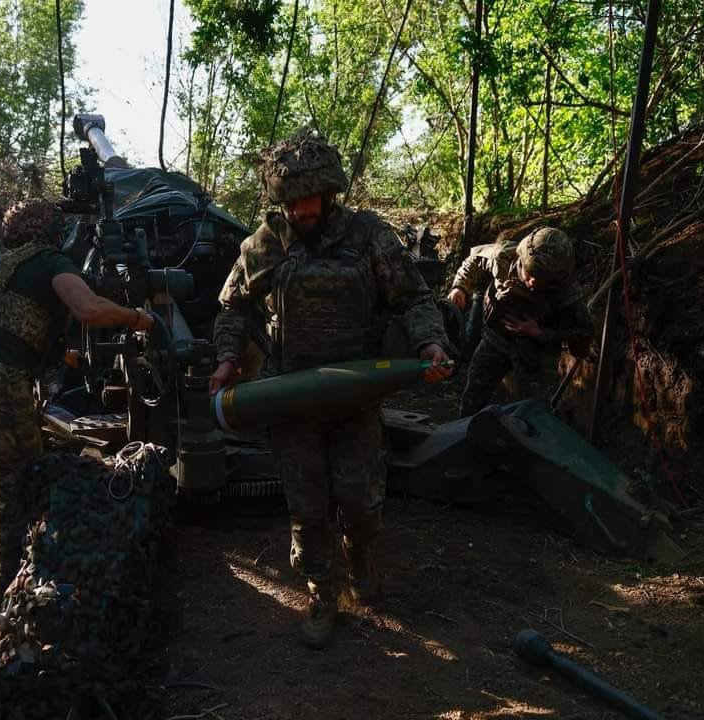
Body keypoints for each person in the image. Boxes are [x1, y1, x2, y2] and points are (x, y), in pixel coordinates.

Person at [210, 128, 454, 649]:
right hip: (292, 398)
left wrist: (431, 343)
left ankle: (361, 553)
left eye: (309, 198)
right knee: (308, 505)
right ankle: (323, 589)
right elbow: (234, 307)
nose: (301, 209)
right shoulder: (264, 244)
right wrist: (228, 358)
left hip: (354, 395)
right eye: (291, 200)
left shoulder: (370, 238)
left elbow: (413, 298)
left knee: (362, 501)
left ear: (330, 192)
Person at [0, 198, 154, 594]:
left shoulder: (2, 265)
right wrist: (138, 319)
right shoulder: (48, 260)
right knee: (19, 477)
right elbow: (88, 308)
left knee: (24, 460)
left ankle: (22, 562)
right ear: (54, 233)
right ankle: (12, 582)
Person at [446, 226, 593, 418]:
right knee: (473, 399)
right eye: (530, 274)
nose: (532, 282)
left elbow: (583, 333)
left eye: (542, 280)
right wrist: (459, 287)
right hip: (495, 341)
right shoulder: (504, 258)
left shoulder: (567, 293)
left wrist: (540, 333)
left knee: (533, 413)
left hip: (536, 355)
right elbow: (474, 261)